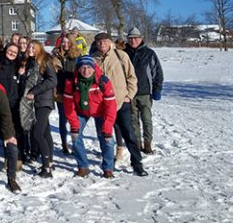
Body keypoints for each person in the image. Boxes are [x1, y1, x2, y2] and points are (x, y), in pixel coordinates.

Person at [92, 32, 148, 176]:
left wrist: (129, 96)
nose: (102, 44)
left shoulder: (121, 56)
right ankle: (108, 166)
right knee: (104, 135)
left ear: (109, 42)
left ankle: (137, 164)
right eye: (99, 42)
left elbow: (132, 77)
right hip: (102, 106)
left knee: (129, 133)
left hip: (121, 102)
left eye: (104, 41)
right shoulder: (92, 59)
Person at [63, 56, 117, 178]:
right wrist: (74, 126)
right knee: (75, 137)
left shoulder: (103, 81)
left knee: (107, 139)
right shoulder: (72, 83)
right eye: (83, 67)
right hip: (81, 112)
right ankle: (83, 166)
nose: (86, 70)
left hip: (101, 112)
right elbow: (68, 106)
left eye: (89, 67)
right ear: (78, 68)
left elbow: (111, 105)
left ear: (93, 68)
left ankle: (108, 167)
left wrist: (107, 127)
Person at [20, 40, 58, 177]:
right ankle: (50, 161)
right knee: (46, 132)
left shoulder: (45, 60)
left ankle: (46, 167)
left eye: (33, 47)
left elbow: (52, 80)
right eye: (28, 47)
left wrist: (34, 92)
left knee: (37, 133)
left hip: (44, 101)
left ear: (39, 48)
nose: (30, 49)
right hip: (35, 102)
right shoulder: (30, 62)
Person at [124, 26, 164, 154]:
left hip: (145, 93)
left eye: (135, 38)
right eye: (130, 38)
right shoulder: (124, 53)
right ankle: (137, 144)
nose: (133, 41)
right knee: (133, 121)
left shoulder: (149, 53)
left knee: (147, 119)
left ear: (140, 38)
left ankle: (148, 144)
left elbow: (157, 73)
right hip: (130, 93)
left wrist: (157, 89)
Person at [0, 43, 26, 168]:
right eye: (10, 50)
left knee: (17, 131)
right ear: (5, 50)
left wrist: (21, 74)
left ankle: (18, 157)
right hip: (2, 103)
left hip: (16, 103)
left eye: (15, 52)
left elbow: (23, 86)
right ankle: (8, 158)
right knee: (5, 131)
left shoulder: (19, 66)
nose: (12, 53)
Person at [52, 33, 81, 154]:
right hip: (60, 91)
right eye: (63, 42)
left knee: (74, 119)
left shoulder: (77, 56)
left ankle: (76, 144)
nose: (66, 44)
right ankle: (64, 143)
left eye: (68, 42)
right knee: (63, 119)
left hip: (74, 91)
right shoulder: (55, 56)